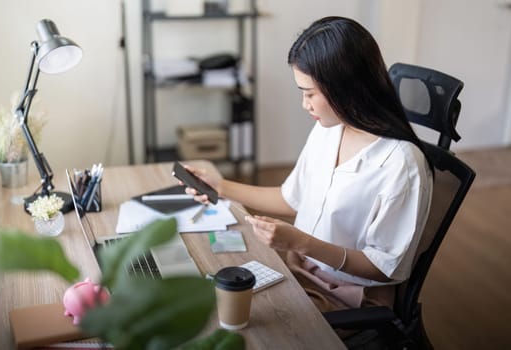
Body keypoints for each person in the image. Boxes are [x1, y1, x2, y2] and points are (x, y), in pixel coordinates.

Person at [182, 16, 433, 318]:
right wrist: (221, 187)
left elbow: (384, 268)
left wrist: (302, 242)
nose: (305, 104)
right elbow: (292, 198)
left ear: (346, 87)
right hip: (299, 266)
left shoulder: (401, 164)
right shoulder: (330, 128)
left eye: (310, 92)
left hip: (348, 296)